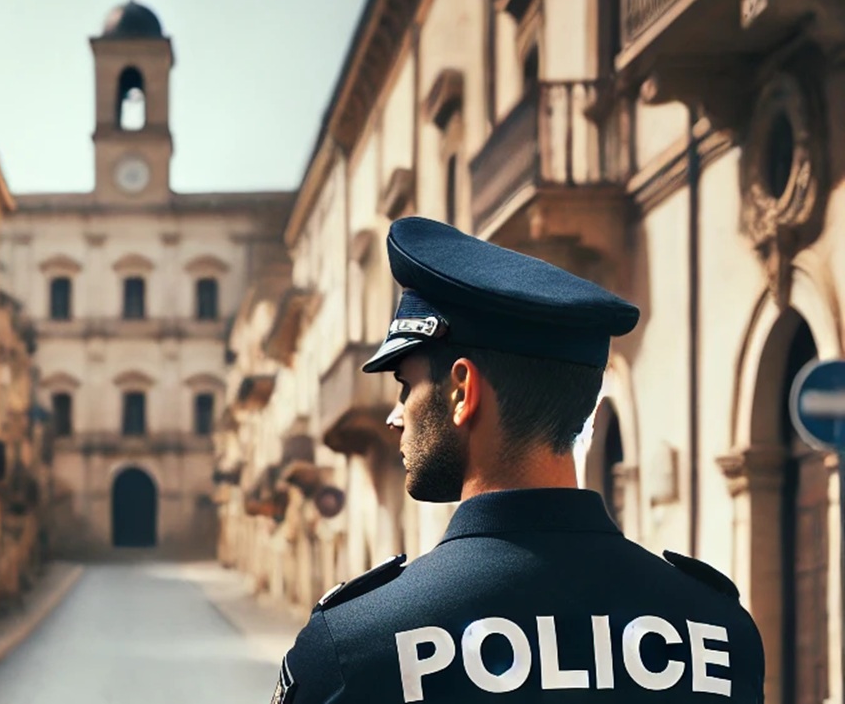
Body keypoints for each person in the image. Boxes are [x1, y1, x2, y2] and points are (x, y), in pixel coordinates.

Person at [271, 217, 765, 703]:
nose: (396, 417)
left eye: (407, 385)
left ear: (463, 390)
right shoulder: (721, 636)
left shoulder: (351, 650)